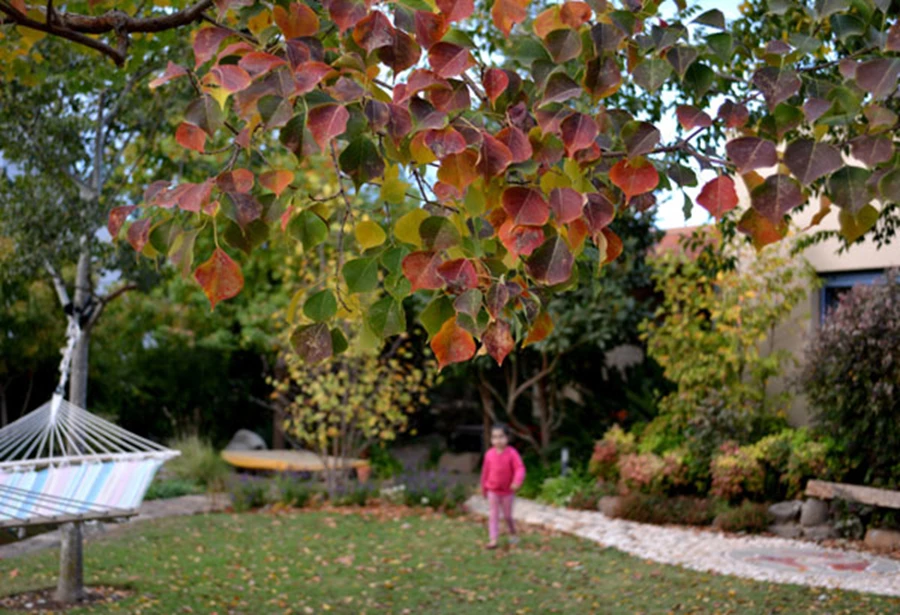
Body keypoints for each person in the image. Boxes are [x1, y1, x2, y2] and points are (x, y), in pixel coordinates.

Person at [480, 423, 525, 549]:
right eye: (494, 437)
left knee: (507, 516)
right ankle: (493, 539)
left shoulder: (512, 453)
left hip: (507, 492)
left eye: (501, 437)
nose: (498, 440)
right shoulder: (489, 454)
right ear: (491, 439)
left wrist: (517, 481)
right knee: (493, 515)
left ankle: (512, 532)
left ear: (507, 438)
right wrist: (484, 488)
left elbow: (519, 468)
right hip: (492, 491)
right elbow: (485, 472)